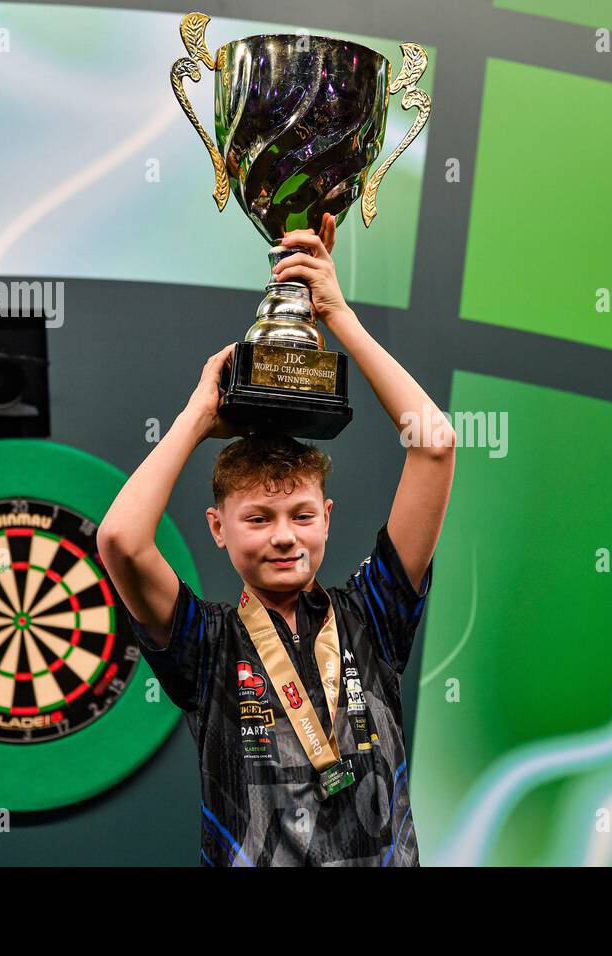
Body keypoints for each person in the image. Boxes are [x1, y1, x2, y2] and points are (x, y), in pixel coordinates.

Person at [97, 213, 456, 866]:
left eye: (300, 515)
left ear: (327, 515)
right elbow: (120, 539)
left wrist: (337, 314)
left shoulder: (373, 614)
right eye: (258, 519)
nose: (284, 537)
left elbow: (434, 445)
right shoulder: (205, 645)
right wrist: (197, 416)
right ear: (218, 529)